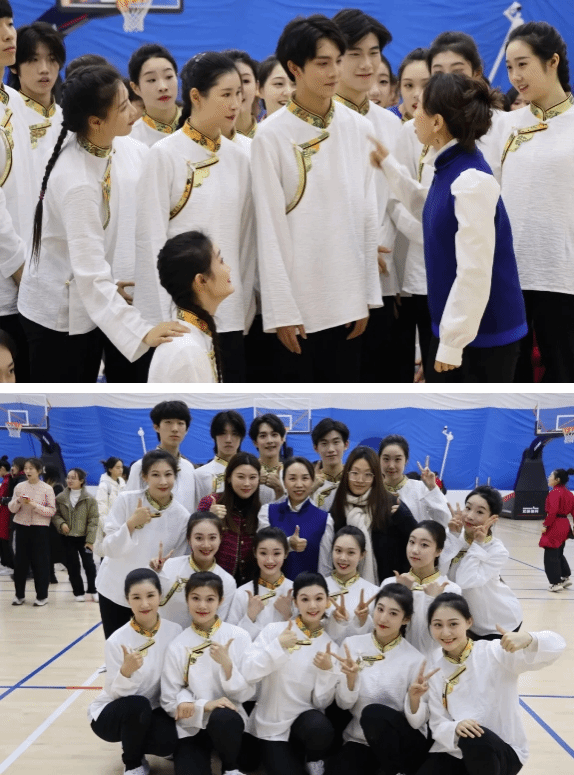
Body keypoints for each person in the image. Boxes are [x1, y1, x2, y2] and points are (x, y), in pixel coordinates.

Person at [17, 63, 186, 382]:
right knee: (67, 395)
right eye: (122, 107)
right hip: (58, 314)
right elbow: (90, 274)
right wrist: (142, 332)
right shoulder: (76, 182)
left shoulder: (124, 147)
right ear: (95, 121)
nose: (134, 110)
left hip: (94, 297)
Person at [371, 72, 527, 382]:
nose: (413, 113)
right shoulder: (450, 166)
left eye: (420, 106)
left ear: (437, 122)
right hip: (458, 330)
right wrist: (390, 166)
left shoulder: (471, 180)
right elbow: (429, 207)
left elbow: (473, 272)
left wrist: (453, 343)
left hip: (484, 338)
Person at [251, 14, 380, 382]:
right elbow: (269, 231)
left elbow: (367, 216)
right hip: (299, 309)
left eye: (338, 61)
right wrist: (281, 312)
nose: (334, 72)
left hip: (349, 302)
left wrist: (366, 295)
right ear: (295, 68)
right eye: (323, 63)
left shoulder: (360, 127)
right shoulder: (270, 135)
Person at [133, 51, 256, 383]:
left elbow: (246, 242)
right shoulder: (164, 155)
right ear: (196, 97)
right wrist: (162, 318)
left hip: (230, 315)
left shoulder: (241, 158)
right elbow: (150, 241)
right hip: (180, 318)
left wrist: (243, 306)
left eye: (239, 94)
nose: (236, 104)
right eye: (226, 94)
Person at [410, 592, 565, 775]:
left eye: (453, 624)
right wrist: (455, 727)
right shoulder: (433, 666)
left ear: (469, 622)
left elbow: (557, 645)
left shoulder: (495, 652)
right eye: (438, 625)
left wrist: (529, 638)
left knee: (475, 739)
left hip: (502, 750)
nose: (445, 632)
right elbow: (438, 722)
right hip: (456, 749)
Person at [332, 8, 402, 383]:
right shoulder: (320, 123)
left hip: (386, 278)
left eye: (373, 53)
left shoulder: (391, 123)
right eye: (354, 53)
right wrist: (357, 249)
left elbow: (397, 199)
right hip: (336, 280)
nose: (366, 64)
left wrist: (382, 249)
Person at [502, 22, 574, 382]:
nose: (515, 76)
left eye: (523, 64)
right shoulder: (502, 126)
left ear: (552, 61)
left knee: (564, 372)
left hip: (563, 275)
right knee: (509, 375)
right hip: (508, 274)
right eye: (509, 67)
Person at [325, 584, 432, 775]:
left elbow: (417, 724)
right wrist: (350, 680)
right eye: (380, 609)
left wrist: (414, 700)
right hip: (361, 739)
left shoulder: (416, 660)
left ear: (406, 619)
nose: (383, 618)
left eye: (393, 613)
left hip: (402, 744)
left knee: (374, 714)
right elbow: (343, 705)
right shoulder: (352, 646)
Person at [242, 571, 339, 775]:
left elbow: (321, 703)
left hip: (305, 726)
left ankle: (313, 758)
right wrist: (277, 646)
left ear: (328, 601)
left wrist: (327, 672)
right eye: (305, 599)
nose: (312, 606)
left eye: (318, 598)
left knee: (321, 728)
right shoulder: (274, 631)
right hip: (271, 727)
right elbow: (249, 672)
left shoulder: (330, 647)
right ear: (295, 602)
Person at [160, 571, 255, 775]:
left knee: (224, 720)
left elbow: (247, 694)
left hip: (228, 722)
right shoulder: (177, 645)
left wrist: (227, 665)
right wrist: (204, 705)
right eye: (195, 598)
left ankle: (230, 768)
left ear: (220, 601)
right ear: (187, 600)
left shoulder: (239, 636)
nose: (202, 606)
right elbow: (169, 701)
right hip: (192, 725)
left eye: (210, 599)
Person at [89, 568, 181, 775]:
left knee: (169, 741)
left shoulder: (174, 630)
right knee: (137, 705)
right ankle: (133, 762)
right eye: (136, 597)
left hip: (155, 708)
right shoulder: (117, 640)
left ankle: (137, 739)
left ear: (160, 596)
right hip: (117, 710)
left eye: (150, 596)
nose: (144, 604)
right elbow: (115, 694)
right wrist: (125, 672)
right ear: (127, 600)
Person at [96, 449, 190, 639]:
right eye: (155, 475)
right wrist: (131, 524)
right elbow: (108, 548)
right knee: (118, 648)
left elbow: (177, 562)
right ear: (144, 477)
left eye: (168, 474)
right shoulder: (126, 500)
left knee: (147, 649)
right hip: (114, 589)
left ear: (175, 476)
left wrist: (162, 568)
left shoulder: (182, 516)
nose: (163, 481)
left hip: (150, 599)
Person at [320, 446, 417, 584]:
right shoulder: (338, 506)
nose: (360, 480)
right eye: (355, 473)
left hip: (387, 587)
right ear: (347, 474)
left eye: (368, 474)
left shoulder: (391, 506)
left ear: (376, 477)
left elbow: (415, 542)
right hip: (344, 587)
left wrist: (406, 520)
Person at [0, 1, 34, 382]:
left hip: (25, 284)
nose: (9, 33)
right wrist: (19, 268)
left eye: (10, 23)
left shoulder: (15, 103)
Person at [148, 231, 233, 382]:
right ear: (201, 280)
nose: (228, 268)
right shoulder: (186, 349)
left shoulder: (193, 338)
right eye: (221, 261)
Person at [442, 486, 522, 639]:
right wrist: (452, 537)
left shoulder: (496, 550)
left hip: (497, 624)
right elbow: (441, 573)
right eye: (468, 508)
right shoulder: (454, 534)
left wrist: (477, 544)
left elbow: (465, 581)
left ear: (493, 518)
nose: (470, 516)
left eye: (479, 512)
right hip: (467, 623)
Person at [380, 521, 461, 660]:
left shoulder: (450, 590)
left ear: (439, 551)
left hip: (431, 664)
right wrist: (400, 594)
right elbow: (383, 630)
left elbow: (440, 637)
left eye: (424, 545)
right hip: (393, 661)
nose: (415, 550)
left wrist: (433, 600)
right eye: (412, 542)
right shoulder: (390, 584)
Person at [152, 513, 236, 627]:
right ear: (189, 539)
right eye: (199, 538)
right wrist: (154, 572)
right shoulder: (168, 567)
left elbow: (220, 624)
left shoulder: (227, 581)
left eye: (212, 538)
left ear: (220, 539)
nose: (206, 545)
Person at [8, 22, 65, 182]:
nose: (44, 69)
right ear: (14, 66)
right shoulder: (6, 122)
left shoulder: (70, 122)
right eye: (33, 60)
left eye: (52, 59)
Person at [259, 457, 331, 577]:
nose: (299, 485)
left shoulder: (325, 519)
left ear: (313, 481)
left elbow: (325, 567)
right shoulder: (267, 512)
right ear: (284, 482)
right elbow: (262, 549)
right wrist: (288, 543)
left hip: (309, 587)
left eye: (305, 478)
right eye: (292, 478)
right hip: (273, 586)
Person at [197, 452, 261, 585]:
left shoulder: (260, 510)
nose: (247, 483)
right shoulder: (210, 502)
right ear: (229, 478)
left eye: (252, 477)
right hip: (213, 583)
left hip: (248, 587)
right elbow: (195, 544)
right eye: (240, 477)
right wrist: (209, 518)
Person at [126, 400, 196, 515]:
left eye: (180, 423)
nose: (175, 428)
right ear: (156, 427)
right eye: (168, 422)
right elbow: (129, 507)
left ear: (186, 429)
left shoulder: (189, 468)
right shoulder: (141, 466)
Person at [227, 526, 294, 639]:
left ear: (286, 553)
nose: (270, 560)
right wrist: (250, 616)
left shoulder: (295, 591)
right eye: (263, 553)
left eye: (276, 553)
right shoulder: (242, 593)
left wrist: (288, 615)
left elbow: (306, 638)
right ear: (255, 553)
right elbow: (230, 639)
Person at [9, 456, 56, 606]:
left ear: (39, 470)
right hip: (21, 527)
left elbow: (51, 511)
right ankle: (19, 595)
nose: (27, 471)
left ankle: (42, 596)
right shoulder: (19, 487)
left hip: (40, 529)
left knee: (40, 563)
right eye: (26, 468)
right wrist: (18, 501)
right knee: (20, 563)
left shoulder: (47, 488)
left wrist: (34, 505)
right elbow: (11, 508)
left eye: (31, 469)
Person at [323, 525, 379, 645]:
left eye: (351, 553)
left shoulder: (374, 593)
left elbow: (378, 636)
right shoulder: (319, 588)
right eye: (338, 551)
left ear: (362, 555)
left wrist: (363, 620)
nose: (343, 558)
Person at [378, 434, 450, 526]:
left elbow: (445, 521)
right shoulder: (373, 491)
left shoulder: (421, 489)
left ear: (406, 460)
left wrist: (433, 488)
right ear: (379, 460)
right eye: (386, 459)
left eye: (397, 459)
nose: (391, 466)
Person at [52, 467, 99, 602]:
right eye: (68, 477)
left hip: (85, 538)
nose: (70, 480)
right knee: (73, 566)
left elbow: (93, 520)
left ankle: (93, 590)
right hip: (67, 538)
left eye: (73, 478)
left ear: (81, 481)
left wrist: (90, 540)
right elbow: (55, 515)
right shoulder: (60, 498)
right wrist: (61, 524)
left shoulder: (90, 499)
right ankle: (78, 592)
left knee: (89, 565)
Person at [128, 43, 180, 147]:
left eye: (169, 77)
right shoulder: (130, 140)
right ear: (135, 88)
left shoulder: (201, 126)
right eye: (151, 80)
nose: (163, 87)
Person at [194, 410, 246, 502]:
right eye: (223, 433)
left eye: (234, 434)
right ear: (214, 436)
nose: (228, 440)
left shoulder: (251, 473)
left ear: (241, 437)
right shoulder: (200, 474)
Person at [540, 468, 574, 591]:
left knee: (550, 555)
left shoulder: (554, 493)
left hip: (555, 525)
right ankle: (565, 576)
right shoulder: (569, 493)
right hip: (565, 525)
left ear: (557, 480)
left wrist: (546, 525)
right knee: (558, 552)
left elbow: (553, 512)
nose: (549, 477)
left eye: (551, 475)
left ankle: (555, 583)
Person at [310, 418, 350, 511]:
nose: (331, 449)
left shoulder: (355, 479)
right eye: (324, 443)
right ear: (316, 448)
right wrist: (310, 490)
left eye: (336, 442)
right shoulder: (308, 482)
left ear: (346, 445)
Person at [249, 413, 287, 504]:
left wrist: (280, 491)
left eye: (274, 435)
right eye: (263, 436)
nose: (269, 441)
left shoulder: (291, 473)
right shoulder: (247, 473)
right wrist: (253, 482)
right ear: (255, 442)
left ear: (282, 439)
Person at [221, 49, 259, 139]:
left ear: (257, 87)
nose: (239, 89)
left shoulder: (272, 136)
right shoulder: (208, 140)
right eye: (230, 81)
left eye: (245, 81)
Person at [388, 48, 429, 122]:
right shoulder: (383, 120)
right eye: (409, 85)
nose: (417, 94)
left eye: (426, 85)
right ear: (399, 88)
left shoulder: (448, 123)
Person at [96, 456, 126, 520]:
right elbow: (101, 508)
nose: (121, 470)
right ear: (110, 469)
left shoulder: (123, 484)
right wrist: (106, 524)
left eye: (121, 467)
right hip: (109, 522)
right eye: (118, 468)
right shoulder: (104, 486)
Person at [0, 454, 13, 572]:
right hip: (4, 512)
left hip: (5, 513)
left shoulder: (7, 481)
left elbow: (2, 497)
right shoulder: (6, 480)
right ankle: (5, 563)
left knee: (4, 537)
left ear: (3, 469)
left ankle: (8, 564)